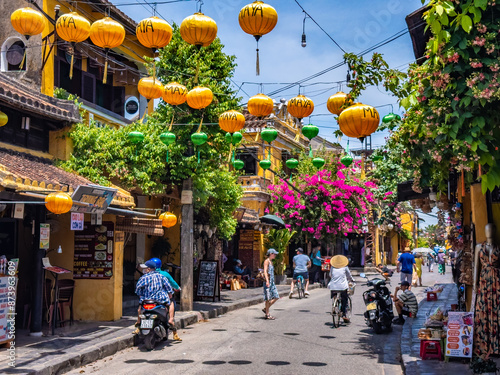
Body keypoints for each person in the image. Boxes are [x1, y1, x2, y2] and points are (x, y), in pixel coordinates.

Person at [135, 260, 175, 335]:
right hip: (160, 300)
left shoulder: (143, 278)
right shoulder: (161, 277)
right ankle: (171, 319)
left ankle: (139, 321)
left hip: (146, 300)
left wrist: (141, 295)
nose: (144, 270)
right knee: (171, 302)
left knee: (140, 307)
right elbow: (169, 288)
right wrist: (170, 293)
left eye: (145, 268)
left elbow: (138, 289)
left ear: (149, 269)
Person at [148, 257, 182, 341]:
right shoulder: (164, 274)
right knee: (171, 303)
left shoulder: (147, 275)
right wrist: (177, 288)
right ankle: (170, 319)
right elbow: (172, 283)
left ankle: (138, 324)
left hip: (148, 298)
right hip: (162, 298)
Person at [327, 255, 354, 323]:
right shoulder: (345, 267)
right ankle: (344, 314)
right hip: (342, 287)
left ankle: (335, 305)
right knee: (344, 299)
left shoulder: (332, 267)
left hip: (333, 286)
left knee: (334, 294)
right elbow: (349, 276)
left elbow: (330, 275)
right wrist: (352, 280)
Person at [262, 248, 280, 320]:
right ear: (270, 254)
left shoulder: (271, 262)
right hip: (268, 282)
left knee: (276, 296)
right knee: (268, 298)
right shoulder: (266, 261)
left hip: (272, 282)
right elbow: (265, 271)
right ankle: (267, 314)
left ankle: (266, 309)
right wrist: (267, 281)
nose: (275, 255)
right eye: (274, 254)